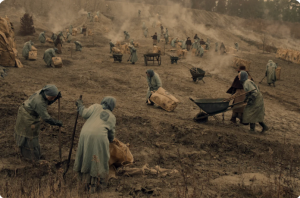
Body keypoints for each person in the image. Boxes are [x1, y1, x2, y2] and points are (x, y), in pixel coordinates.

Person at [73, 96, 116, 193]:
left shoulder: (95, 107)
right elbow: (111, 134)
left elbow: (84, 113)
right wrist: (111, 140)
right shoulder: (112, 117)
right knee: (99, 158)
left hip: (85, 134)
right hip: (100, 137)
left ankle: (84, 182)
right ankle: (96, 183)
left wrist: (80, 106)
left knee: (86, 155)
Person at [14, 85, 62, 161]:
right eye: (52, 97)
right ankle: (31, 157)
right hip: (26, 117)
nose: (52, 99)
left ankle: (33, 155)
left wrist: (55, 98)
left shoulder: (43, 92)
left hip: (29, 113)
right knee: (29, 136)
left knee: (32, 135)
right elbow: (46, 118)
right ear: (47, 94)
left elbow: (47, 101)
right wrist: (56, 122)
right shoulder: (39, 102)